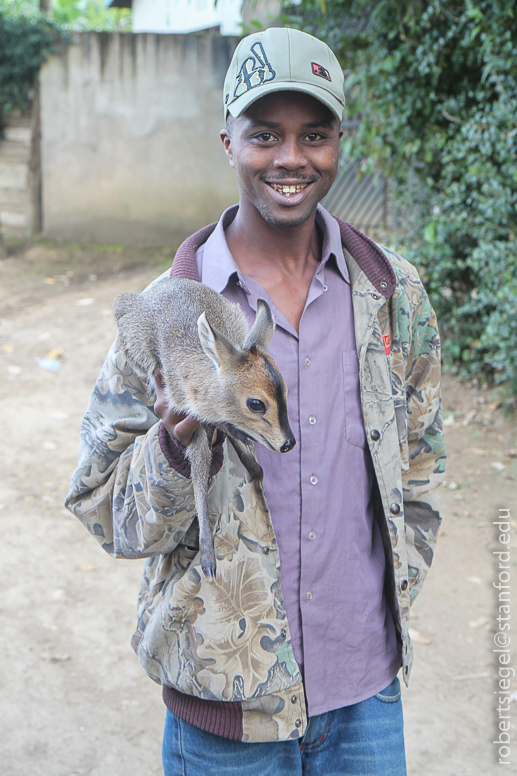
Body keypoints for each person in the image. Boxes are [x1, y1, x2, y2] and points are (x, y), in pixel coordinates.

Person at [66, 26, 446, 776]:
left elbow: (422, 464)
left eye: (313, 134)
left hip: (364, 697)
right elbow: (102, 504)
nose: (290, 158)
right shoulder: (160, 322)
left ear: (339, 139)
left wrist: (396, 589)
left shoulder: (394, 297)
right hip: (224, 721)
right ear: (228, 141)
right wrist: (172, 451)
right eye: (264, 133)